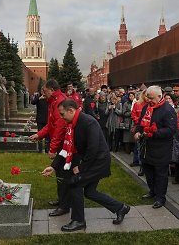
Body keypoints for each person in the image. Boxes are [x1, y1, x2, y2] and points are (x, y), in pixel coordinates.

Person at [41, 99, 130, 232]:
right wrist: (53, 166)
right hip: (92, 162)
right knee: (90, 192)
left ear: (71, 110)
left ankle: (78, 220)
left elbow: (93, 149)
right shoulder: (72, 124)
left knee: (75, 183)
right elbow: (66, 148)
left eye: (62, 114)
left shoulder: (88, 122)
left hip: (98, 162)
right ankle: (120, 208)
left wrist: (81, 167)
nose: (61, 117)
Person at [29, 79, 69, 216]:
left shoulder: (59, 102)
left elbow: (59, 127)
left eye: (44, 91)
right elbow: (50, 125)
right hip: (61, 144)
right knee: (59, 173)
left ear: (52, 90)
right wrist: (39, 135)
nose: (42, 94)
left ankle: (64, 205)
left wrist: (52, 148)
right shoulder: (53, 101)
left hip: (64, 145)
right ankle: (62, 200)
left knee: (63, 174)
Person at [134, 85, 177, 209]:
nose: (148, 100)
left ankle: (160, 197)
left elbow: (171, 130)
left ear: (160, 96)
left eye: (151, 98)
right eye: (147, 97)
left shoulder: (168, 110)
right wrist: (138, 131)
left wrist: (154, 133)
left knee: (160, 174)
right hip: (147, 146)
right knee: (148, 171)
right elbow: (140, 122)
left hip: (161, 148)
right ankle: (152, 191)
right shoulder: (146, 107)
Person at [31, 89, 49, 153]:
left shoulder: (48, 98)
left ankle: (47, 149)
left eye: (44, 91)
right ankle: (40, 149)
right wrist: (38, 98)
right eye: (42, 91)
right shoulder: (38, 97)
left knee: (47, 136)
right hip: (40, 119)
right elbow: (33, 102)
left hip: (47, 119)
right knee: (40, 135)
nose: (43, 92)